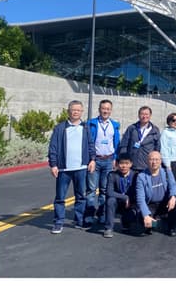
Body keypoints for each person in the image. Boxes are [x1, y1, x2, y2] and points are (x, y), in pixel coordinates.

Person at [48, 100, 95, 234]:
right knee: (60, 197)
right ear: (68, 111)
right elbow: (53, 147)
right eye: (73, 110)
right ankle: (58, 222)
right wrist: (53, 164)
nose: (76, 112)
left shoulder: (85, 127)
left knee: (81, 196)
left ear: (82, 112)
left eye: (78, 110)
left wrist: (92, 160)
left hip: (81, 168)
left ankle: (79, 220)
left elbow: (91, 145)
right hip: (64, 169)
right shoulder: (60, 128)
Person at [86, 99, 121, 225]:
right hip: (95, 160)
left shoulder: (114, 125)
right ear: (99, 109)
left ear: (111, 110)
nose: (105, 111)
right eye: (103, 108)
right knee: (91, 190)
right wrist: (91, 159)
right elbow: (87, 143)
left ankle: (102, 214)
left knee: (105, 190)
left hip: (109, 160)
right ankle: (89, 216)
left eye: (108, 109)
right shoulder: (91, 124)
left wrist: (115, 159)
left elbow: (117, 144)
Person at [135, 151, 176, 236]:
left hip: (165, 203)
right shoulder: (141, 176)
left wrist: (173, 197)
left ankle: (171, 227)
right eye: (151, 159)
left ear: (160, 161)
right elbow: (140, 198)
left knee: (175, 199)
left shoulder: (166, 172)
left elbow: (173, 186)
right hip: (151, 204)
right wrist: (146, 215)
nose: (154, 162)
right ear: (147, 161)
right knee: (141, 217)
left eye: (156, 159)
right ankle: (154, 224)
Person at [103, 153, 137, 238]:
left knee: (134, 219)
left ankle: (126, 223)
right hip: (118, 201)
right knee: (110, 200)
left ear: (131, 164)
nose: (124, 166)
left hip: (131, 203)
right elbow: (109, 192)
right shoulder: (112, 175)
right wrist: (125, 197)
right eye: (121, 163)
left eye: (126, 163)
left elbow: (138, 192)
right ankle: (108, 228)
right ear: (117, 164)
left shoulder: (135, 175)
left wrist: (130, 199)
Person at [118, 106, 161, 173]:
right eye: (142, 114)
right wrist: (124, 161)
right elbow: (124, 145)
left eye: (146, 114)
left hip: (147, 165)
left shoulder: (155, 130)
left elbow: (157, 148)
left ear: (150, 115)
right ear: (138, 115)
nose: (144, 116)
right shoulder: (131, 128)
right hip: (132, 165)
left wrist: (155, 162)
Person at [160, 112, 176, 191]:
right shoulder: (165, 133)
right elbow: (163, 149)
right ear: (169, 121)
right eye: (173, 120)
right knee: (171, 183)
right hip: (171, 162)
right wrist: (167, 164)